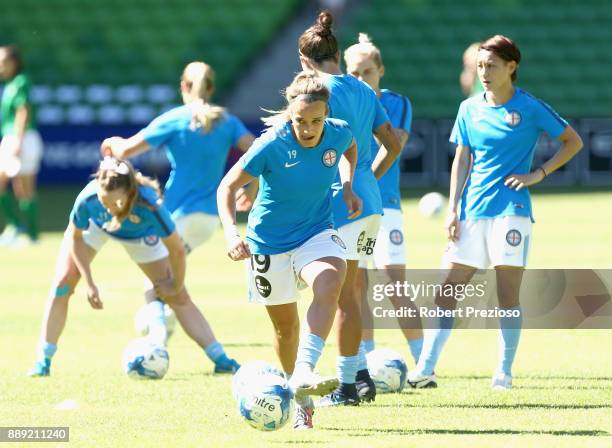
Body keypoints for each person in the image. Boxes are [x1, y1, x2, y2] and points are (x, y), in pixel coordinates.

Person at [407, 35, 583, 390]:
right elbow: (462, 158)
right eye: (481, 66)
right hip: (471, 211)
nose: (484, 73)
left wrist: (538, 174)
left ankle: (503, 372)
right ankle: (425, 368)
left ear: (511, 67)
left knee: (506, 295)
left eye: (492, 66)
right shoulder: (469, 109)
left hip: (511, 212)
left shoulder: (530, 107)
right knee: (445, 292)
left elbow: (573, 141)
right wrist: (453, 209)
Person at [217, 71, 362, 429]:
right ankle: (302, 399)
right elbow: (226, 187)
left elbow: (350, 149)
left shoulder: (339, 132)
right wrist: (230, 234)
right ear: (290, 115)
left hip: (316, 231)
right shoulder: (271, 144)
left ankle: (303, 371)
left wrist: (347, 185)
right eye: (301, 121)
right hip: (268, 244)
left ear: (326, 115)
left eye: (316, 121)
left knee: (330, 283)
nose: (309, 128)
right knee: (285, 330)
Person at [29, 158, 239, 376]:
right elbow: (75, 237)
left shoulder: (150, 206)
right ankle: (42, 361)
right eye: (104, 203)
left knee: (179, 297)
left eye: (115, 204)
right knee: (63, 283)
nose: (109, 209)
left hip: (141, 237)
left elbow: (177, 250)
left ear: (129, 194)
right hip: (96, 229)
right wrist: (89, 282)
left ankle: (221, 359)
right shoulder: (88, 199)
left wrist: (175, 285)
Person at [101, 61, 254, 352]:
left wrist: (112, 142)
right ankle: (164, 322)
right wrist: (253, 186)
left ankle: (156, 340)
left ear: (184, 86)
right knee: (168, 274)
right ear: (211, 88)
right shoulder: (227, 121)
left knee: (155, 276)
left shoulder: (175, 118)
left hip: (176, 215)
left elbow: (126, 150)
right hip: (209, 220)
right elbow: (259, 150)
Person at [297, 11, 402, 406]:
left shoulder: (310, 89)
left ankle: (345, 387)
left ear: (305, 61)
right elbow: (393, 143)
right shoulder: (362, 90)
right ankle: (359, 377)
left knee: (335, 295)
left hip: (335, 205)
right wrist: (366, 177)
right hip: (369, 201)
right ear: (337, 55)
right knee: (352, 294)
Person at [343, 33, 425, 370]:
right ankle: (365, 361)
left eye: (367, 72)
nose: (361, 79)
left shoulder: (397, 103)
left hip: (385, 204)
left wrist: (364, 182)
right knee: (356, 286)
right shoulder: (342, 101)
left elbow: (395, 144)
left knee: (395, 284)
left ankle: (424, 363)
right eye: (355, 73)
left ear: (381, 71)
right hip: (352, 207)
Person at [0, 45, 43, 246]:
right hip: (11, 138)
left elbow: (23, 111)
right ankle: (16, 226)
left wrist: (18, 139)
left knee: (25, 188)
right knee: (14, 186)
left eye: (3, 62)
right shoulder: (8, 84)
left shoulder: (21, 82)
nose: (0, 66)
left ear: (14, 62)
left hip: (22, 139)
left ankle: (32, 234)